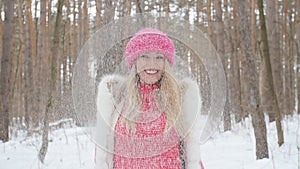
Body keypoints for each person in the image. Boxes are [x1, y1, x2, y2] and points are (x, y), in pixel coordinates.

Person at [95, 28, 204, 169]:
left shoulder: (179, 99)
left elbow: (192, 154)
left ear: (166, 62)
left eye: (159, 57)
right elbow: (103, 152)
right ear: (134, 61)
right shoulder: (116, 97)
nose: (152, 64)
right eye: (144, 56)